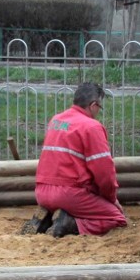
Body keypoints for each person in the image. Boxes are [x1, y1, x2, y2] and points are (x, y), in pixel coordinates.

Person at [33, 82, 128, 237]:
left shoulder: (56, 120)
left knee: (85, 207)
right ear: (93, 105)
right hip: (68, 194)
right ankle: (66, 224)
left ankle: (45, 219)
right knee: (116, 218)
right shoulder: (91, 127)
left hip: (42, 192)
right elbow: (104, 174)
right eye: (99, 107)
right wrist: (111, 199)